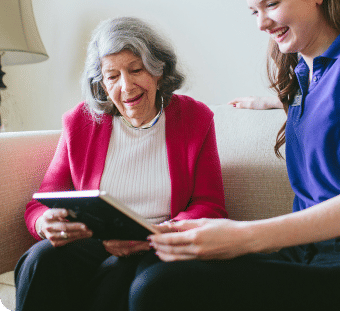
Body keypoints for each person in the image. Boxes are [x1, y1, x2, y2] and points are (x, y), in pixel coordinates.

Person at [136, 0, 340, 311]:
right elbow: (326, 109)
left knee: (161, 288)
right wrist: (272, 101)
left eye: (271, 4)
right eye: (253, 11)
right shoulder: (302, 79)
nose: (261, 23)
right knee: (154, 268)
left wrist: (244, 236)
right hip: (303, 254)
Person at [14, 16, 227, 311]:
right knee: (41, 259)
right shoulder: (80, 122)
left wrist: (162, 233)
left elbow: (210, 204)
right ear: (101, 83)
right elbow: (40, 203)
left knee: (131, 281)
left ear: (158, 71)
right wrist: (43, 222)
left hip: (163, 244)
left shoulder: (194, 118)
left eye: (135, 70)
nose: (126, 86)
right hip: (97, 244)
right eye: (112, 76)